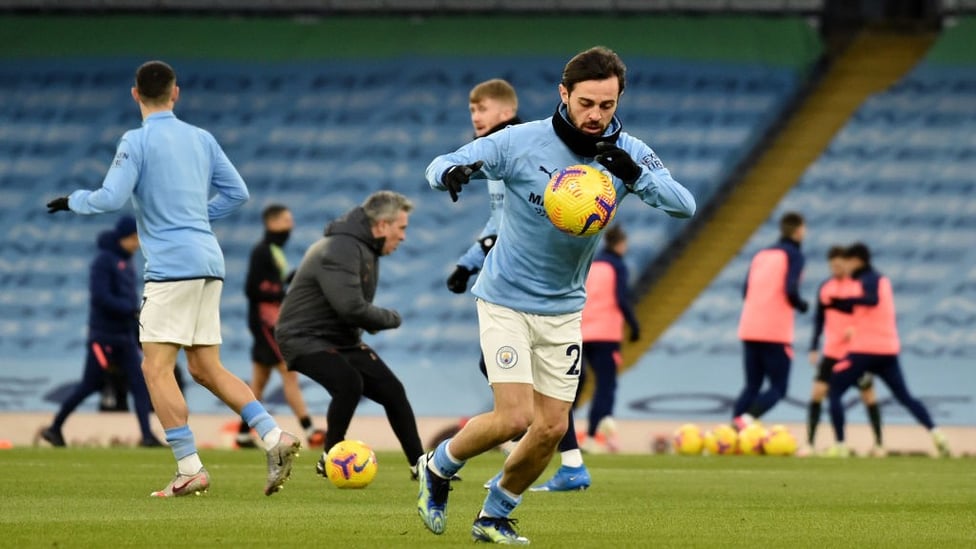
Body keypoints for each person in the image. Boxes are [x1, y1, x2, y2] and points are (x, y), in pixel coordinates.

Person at [417, 46, 695, 544]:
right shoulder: (520, 142)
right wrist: (449, 174)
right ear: (563, 94)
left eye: (607, 106)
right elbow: (444, 163)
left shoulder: (629, 149)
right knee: (515, 417)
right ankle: (438, 466)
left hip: (564, 310)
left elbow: (684, 205)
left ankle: (493, 516)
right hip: (504, 299)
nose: (596, 115)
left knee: (549, 429)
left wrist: (632, 174)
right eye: (586, 102)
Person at [45, 60, 300, 497]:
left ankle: (189, 467)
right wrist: (198, 217)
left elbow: (111, 197)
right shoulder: (201, 138)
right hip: (209, 263)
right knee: (205, 367)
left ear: (134, 94)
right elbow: (238, 193)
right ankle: (275, 436)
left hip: (170, 270)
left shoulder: (136, 140)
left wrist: (73, 200)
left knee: (155, 368)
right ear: (175, 93)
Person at [446, 78, 591, 493]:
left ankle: (536, 458)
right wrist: (469, 262)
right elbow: (501, 220)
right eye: (472, 110)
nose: (475, 117)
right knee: (522, 387)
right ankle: (566, 461)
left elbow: (512, 221)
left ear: (505, 112)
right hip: (523, 282)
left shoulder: (518, 148)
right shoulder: (495, 152)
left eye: (482, 109)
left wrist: (472, 261)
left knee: (519, 388)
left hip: (537, 285)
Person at [275, 191, 427, 479]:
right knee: (348, 383)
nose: (404, 237)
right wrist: (390, 318)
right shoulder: (341, 248)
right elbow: (350, 307)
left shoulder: (362, 247)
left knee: (392, 391)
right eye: (402, 228)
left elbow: (348, 307)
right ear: (382, 225)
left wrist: (365, 320)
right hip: (302, 337)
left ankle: (421, 466)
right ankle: (329, 457)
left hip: (338, 337)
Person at [39, 216, 162, 448]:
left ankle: (147, 436)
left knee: (139, 383)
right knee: (90, 385)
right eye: (134, 238)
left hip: (124, 337)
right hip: (103, 337)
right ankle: (54, 428)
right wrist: (131, 310)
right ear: (124, 236)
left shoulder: (127, 262)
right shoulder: (104, 261)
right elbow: (101, 296)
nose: (137, 243)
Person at [826, 243, 951, 457]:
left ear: (857, 260)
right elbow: (863, 305)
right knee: (904, 397)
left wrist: (842, 300)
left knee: (834, 391)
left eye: (847, 262)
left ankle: (840, 445)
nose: (845, 267)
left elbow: (871, 299)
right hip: (887, 350)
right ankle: (937, 433)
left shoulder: (868, 278)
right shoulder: (881, 281)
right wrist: (837, 305)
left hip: (864, 350)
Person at [236, 204, 324, 449]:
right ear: (271, 223)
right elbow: (253, 288)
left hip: (266, 323)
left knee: (259, 382)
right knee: (290, 373)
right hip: (267, 324)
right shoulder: (262, 251)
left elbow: (277, 281)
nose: (290, 225)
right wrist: (281, 291)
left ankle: (243, 435)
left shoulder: (274, 251)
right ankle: (310, 430)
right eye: (286, 220)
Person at [803, 245, 883, 457]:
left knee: (868, 395)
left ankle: (879, 444)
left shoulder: (858, 287)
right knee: (818, 393)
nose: (837, 268)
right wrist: (813, 346)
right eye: (833, 265)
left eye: (840, 264)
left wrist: (856, 328)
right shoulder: (825, 287)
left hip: (856, 352)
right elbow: (819, 319)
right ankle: (811, 444)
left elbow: (869, 313)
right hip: (831, 351)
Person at [732, 212, 808, 430]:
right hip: (774, 331)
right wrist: (801, 305)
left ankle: (730, 436)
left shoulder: (761, 254)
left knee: (752, 385)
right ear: (799, 230)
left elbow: (746, 290)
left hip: (749, 327)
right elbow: (790, 289)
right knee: (779, 387)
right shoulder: (795, 255)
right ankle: (745, 421)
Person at [577, 224, 640, 455]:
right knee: (605, 386)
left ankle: (559, 432)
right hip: (606, 334)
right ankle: (594, 435)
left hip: (583, 331)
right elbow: (622, 299)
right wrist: (634, 326)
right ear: (620, 244)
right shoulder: (618, 267)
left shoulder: (592, 264)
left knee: (575, 383)